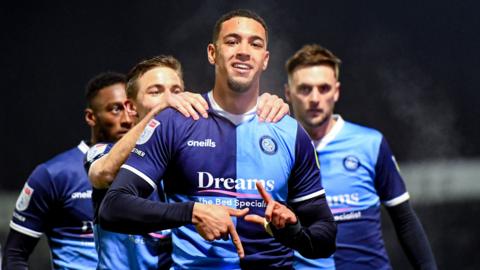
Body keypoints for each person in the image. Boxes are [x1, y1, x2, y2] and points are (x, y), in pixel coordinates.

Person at [99, 9, 336, 269]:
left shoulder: (290, 132)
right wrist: (191, 212)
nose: (244, 51)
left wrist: (292, 232)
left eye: (255, 44)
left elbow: (324, 240)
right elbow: (113, 208)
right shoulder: (176, 122)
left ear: (265, 59)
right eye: (232, 41)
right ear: (213, 53)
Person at [84, 55, 291, 270]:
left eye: (176, 91)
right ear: (131, 107)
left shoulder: (189, 158)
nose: (170, 98)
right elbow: (104, 174)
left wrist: (263, 106)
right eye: (156, 92)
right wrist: (161, 112)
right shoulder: (103, 151)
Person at [285, 44, 437, 270]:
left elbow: (404, 219)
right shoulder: (278, 149)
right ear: (288, 93)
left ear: (336, 91)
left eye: (324, 88)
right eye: (305, 89)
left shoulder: (370, 143)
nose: (315, 98)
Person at [2, 72, 133, 269]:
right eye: (115, 109)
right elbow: (14, 255)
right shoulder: (53, 174)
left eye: (131, 109)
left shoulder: (153, 170)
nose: (126, 119)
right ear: (91, 117)